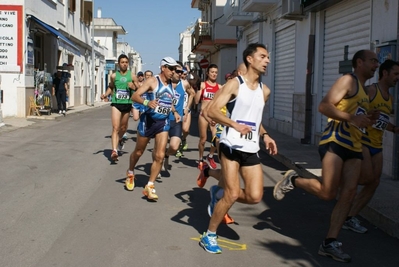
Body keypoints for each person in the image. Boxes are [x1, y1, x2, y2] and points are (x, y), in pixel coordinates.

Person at [273, 50, 379, 262]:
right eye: (373, 61)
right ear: (359, 62)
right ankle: (293, 179)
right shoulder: (348, 80)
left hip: (355, 146)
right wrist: (351, 118)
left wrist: (368, 118)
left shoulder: (366, 92)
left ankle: (330, 243)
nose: (376, 64)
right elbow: (324, 106)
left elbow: (356, 117)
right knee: (328, 193)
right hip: (335, 141)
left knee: (348, 193)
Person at [199, 43, 277, 254]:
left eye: (268, 57)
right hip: (230, 144)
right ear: (250, 59)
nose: (267, 60)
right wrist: (233, 124)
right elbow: (211, 111)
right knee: (232, 194)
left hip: (251, 148)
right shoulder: (235, 84)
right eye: (263, 56)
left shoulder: (265, 91)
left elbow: (255, 118)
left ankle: (218, 191)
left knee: (254, 197)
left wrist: (265, 135)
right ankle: (210, 235)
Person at [343, 59, 399, 233]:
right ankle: (339, 181)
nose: (398, 78)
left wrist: (395, 128)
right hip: (363, 141)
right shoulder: (370, 91)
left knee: (374, 183)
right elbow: (353, 111)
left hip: (378, 144)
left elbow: (382, 121)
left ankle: (349, 217)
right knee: (366, 178)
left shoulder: (390, 98)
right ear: (385, 73)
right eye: (396, 74)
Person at [125, 57, 181, 200]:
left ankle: (150, 186)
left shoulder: (172, 85)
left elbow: (168, 102)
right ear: (163, 68)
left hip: (163, 123)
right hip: (148, 121)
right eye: (171, 68)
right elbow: (135, 96)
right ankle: (131, 172)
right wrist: (146, 102)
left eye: (175, 69)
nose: (173, 72)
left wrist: (174, 112)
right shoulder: (152, 81)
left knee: (160, 155)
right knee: (138, 152)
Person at [100, 54, 138, 162]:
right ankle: (114, 151)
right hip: (116, 103)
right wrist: (106, 94)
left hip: (127, 104)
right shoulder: (113, 76)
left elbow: (140, 88)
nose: (124, 64)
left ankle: (120, 139)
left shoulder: (132, 75)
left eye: (126, 62)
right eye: (122, 62)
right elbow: (111, 87)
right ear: (118, 63)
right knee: (115, 128)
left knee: (123, 128)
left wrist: (134, 87)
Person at [194, 64, 222, 170]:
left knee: (216, 139)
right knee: (203, 139)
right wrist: (199, 90)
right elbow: (197, 101)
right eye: (212, 72)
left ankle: (210, 156)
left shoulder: (219, 87)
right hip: (203, 115)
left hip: (214, 115)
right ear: (208, 73)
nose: (214, 74)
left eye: (216, 72)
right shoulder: (203, 85)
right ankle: (200, 159)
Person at [163, 61, 188, 170]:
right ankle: (157, 165)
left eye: (181, 72)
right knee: (160, 146)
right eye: (177, 71)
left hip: (176, 120)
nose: (179, 74)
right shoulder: (164, 84)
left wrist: (187, 107)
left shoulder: (184, 84)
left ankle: (166, 155)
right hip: (163, 119)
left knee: (174, 146)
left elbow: (192, 93)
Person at [177, 66, 195, 156]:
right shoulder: (171, 83)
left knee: (186, 129)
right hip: (175, 110)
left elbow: (192, 94)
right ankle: (177, 147)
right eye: (181, 74)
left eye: (184, 74)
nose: (182, 76)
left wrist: (187, 107)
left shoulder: (186, 83)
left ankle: (183, 139)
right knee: (176, 131)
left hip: (185, 109)